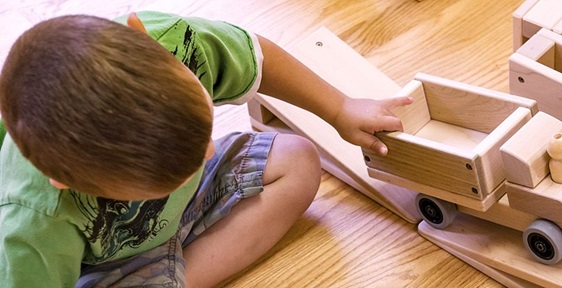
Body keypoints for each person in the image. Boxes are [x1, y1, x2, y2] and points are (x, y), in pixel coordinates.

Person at [0, 11, 411, 287]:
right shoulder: (34, 219)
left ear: (146, 40)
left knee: (299, 161)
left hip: (179, 216)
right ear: (65, 181)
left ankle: (178, 275)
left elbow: (259, 56)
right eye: (164, 178)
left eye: (202, 135)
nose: (209, 153)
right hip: (105, 262)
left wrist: (339, 108)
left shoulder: (172, 43)